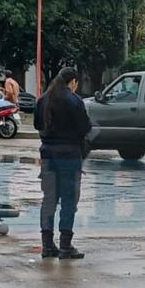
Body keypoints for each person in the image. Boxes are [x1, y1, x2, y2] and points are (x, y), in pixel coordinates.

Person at [34, 67, 92, 260]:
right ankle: (66, 246)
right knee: (69, 200)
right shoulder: (74, 101)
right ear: (73, 82)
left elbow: (36, 125)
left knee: (49, 199)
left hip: (48, 154)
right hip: (69, 155)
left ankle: (47, 245)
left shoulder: (43, 99)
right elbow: (85, 127)